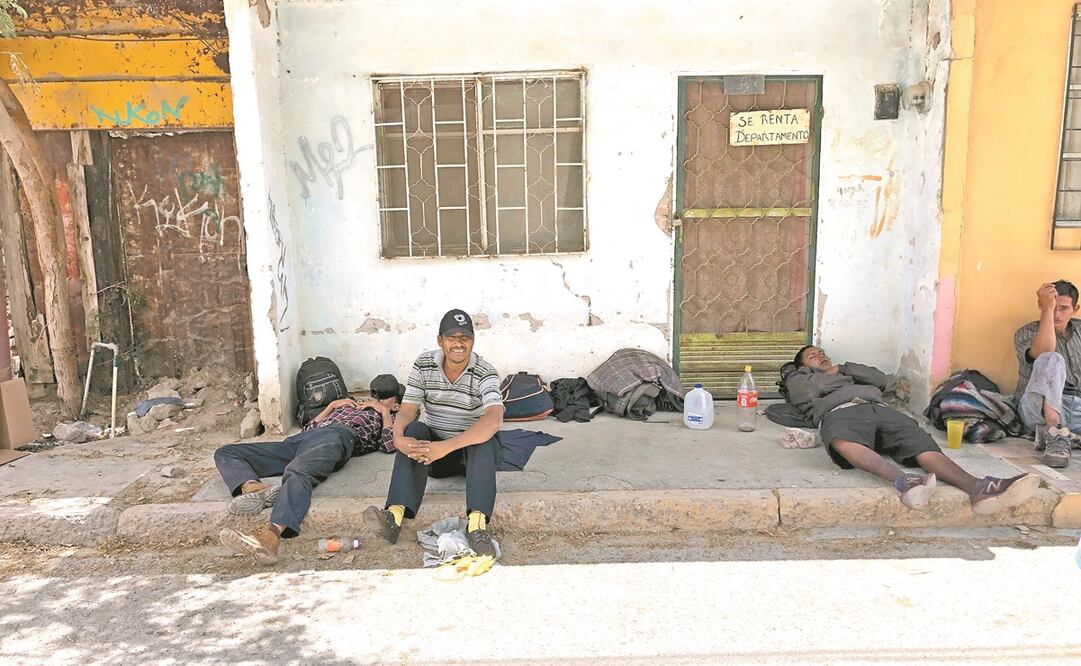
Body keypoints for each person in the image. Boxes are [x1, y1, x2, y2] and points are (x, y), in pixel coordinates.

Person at [785, 346, 1039, 514]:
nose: (821, 356)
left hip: (879, 409)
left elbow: (881, 381)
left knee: (919, 443)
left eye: (822, 352)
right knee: (841, 439)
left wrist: (843, 369)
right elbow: (807, 392)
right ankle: (905, 481)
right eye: (813, 356)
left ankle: (978, 487)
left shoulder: (845, 371)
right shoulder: (799, 378)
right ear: (803, 366)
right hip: (840, 412)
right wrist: (831, 377)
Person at [215, 374, 404, 564]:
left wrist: (384, 412)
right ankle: (254, 487)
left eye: (384, 398)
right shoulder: (351, 404)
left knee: (298, 471)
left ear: (396, 405)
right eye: (375, 395)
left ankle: (270, 536)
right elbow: (308, 428)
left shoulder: (390, 416)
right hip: (302, 440)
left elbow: (389, 445)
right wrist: (332, 406)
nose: (376, 400)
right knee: (227, 452)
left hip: (336, 438)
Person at [364, 309, 504, 557]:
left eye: (465, 338)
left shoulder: (485, 372)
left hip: (470, 458)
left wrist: (446, 447)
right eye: (452, 338)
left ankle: (477, 527)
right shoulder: (424, 364)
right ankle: (393, 517)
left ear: (472, 341)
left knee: (485, 439)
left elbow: (494, 418)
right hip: (432, 458)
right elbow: (408, 410)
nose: (459, 344)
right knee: (415, 429)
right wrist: (398, 438)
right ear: (440, 340)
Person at [1013, 280, 1081, 468]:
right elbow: (1044, 352)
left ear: (1075, 309)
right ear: (1041, 305)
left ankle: (1068, 435)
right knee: (1052, 358)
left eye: (1063, 308)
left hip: (1076, 408)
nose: (1056, 314)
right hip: (1038, 408)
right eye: (1052, 307)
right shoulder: (1026, 332)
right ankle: (1054, 432)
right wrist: (1047, 310)